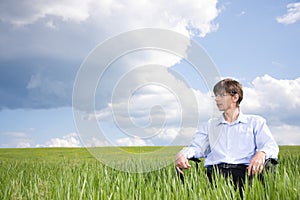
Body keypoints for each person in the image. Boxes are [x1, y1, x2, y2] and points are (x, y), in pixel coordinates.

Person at [175, 78, 279, 193]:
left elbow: (270, 145)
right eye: (215, 96)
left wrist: (262, 153)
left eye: (221, 95)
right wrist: (183, 153)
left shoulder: (255, 122)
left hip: (245, 173)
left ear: (235, 97)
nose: (217, 99)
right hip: (216, 173)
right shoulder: (210, 125)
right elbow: (197, 148)